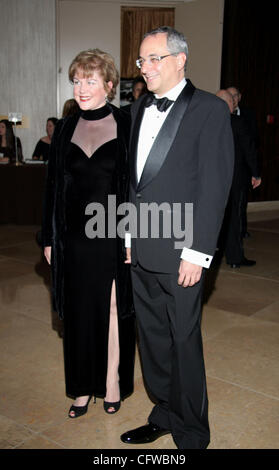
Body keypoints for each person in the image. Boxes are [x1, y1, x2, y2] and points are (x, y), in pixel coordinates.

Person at [120, 27, 234, 449]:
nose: (145, 68)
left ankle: (191, 433)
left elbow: (214, 186)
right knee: (151, 339)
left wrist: (198, 252)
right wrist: (127, 234)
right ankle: (164, 412)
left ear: (180, 59)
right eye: (141, 61)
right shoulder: (134, 112)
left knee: (184, 342)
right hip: (142, 247)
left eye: (154, 58)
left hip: (184, 251)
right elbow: (133, 185)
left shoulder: (209, 110)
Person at [42, 48, 135, 418]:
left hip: (112, 235)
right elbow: (52, 189)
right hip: (73, 238)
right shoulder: (65, 128)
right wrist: (49, 237)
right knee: (79, 314)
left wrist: (132, 236)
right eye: (77, 80)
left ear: (109, 85)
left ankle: (111, 382)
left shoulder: (127, 124)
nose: (81, 88)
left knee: (113, 310)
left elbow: (136, 186)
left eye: (90, 80)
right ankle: (81, 388)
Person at [216, 89, 261, 268]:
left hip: (211, 181)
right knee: (234, 219)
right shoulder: (238, 122)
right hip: (235, 179)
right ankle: (235, 258)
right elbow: (250, 150)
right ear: (230, 104)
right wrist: (256, 173)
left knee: (213, 219)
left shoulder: (206, 123)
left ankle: (211, 258)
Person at [227, 86, 260, 238]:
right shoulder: (216, 116)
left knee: (240, 205)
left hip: (242, 170)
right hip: (224, 171)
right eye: (229, 96)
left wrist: (254, 171)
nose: (232, 98)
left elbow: (251, 144)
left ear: (239, 97)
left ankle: (241, 231)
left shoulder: (248, 115)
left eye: (234, 95)